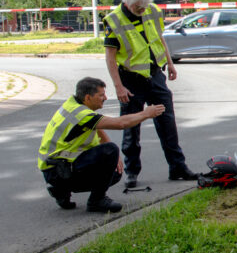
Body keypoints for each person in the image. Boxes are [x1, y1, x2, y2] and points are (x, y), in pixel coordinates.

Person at [103, 0, 199, 188]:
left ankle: (177, 167)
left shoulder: (153, 11)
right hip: (130, 80)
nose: (143, 11)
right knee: (131, 127)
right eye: (139, 8)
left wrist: (170, 64)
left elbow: (159, 38)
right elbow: (110, 58)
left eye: (145, 7)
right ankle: (132, 172)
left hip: (155, 76)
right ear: (127, 3)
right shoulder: (114, 21)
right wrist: (119, 87)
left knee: (168, 124)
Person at [38, 77, 165, 213]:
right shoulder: (81, 114)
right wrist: (146, 114)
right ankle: (96, 201)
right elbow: (120, 123)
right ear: (87, 97)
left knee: (115, 171)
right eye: (101, 95)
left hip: (56, 168)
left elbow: (96, 127)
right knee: (110, 151)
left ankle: (61, 190)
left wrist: (115, 158)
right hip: (59, 170)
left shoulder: (73, 105)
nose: (105, 97)